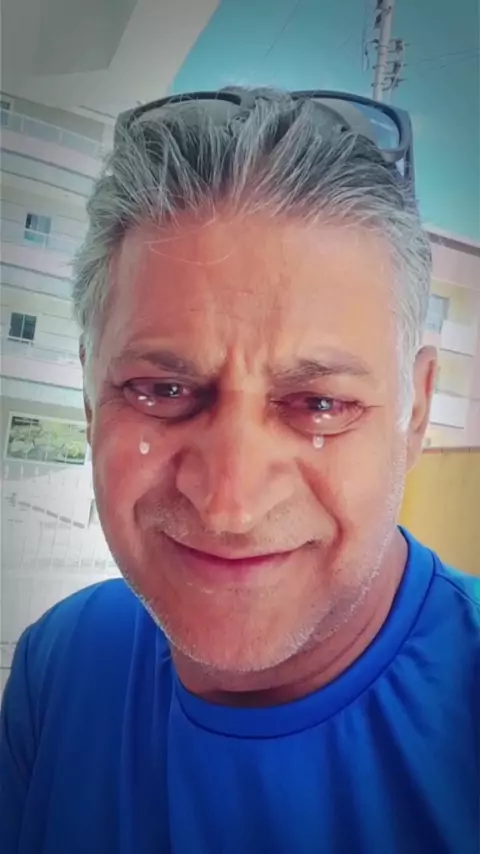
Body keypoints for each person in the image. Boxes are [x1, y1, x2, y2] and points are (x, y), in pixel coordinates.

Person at [0, 87, 478, 854]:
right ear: (90, 398)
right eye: (162, 390)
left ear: (414, 414)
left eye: (320, 404)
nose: (230, 505)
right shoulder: (59, 665)